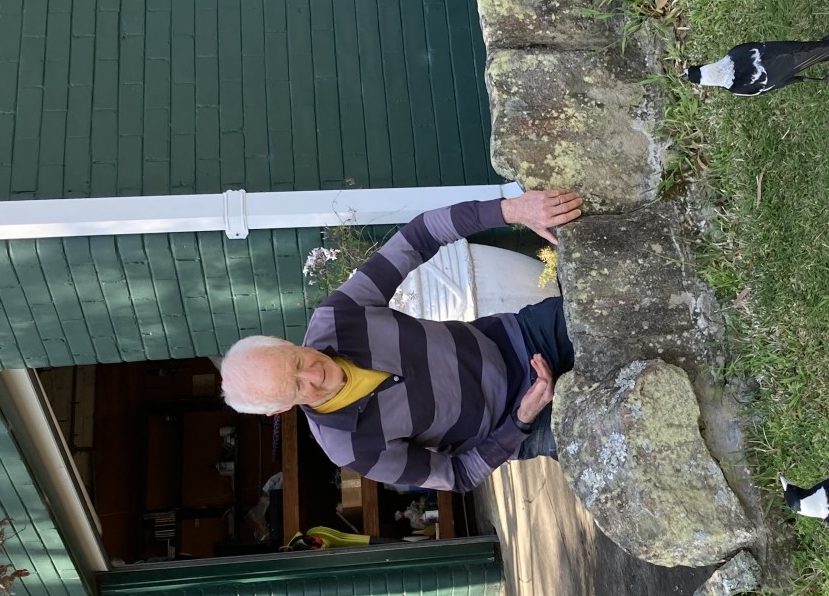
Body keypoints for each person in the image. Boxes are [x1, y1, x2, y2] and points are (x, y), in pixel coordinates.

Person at [219, 189, 583, 492]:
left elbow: (420, 235)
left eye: (297, 362)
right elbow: (458, 475)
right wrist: (521, 421)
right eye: (297, 387)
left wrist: (513, 210)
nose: (315, 374)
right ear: (280, 410)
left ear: (284, 342)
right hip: (526, 423)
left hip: (525, 337)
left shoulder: (339, 315)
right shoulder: (350, 448)